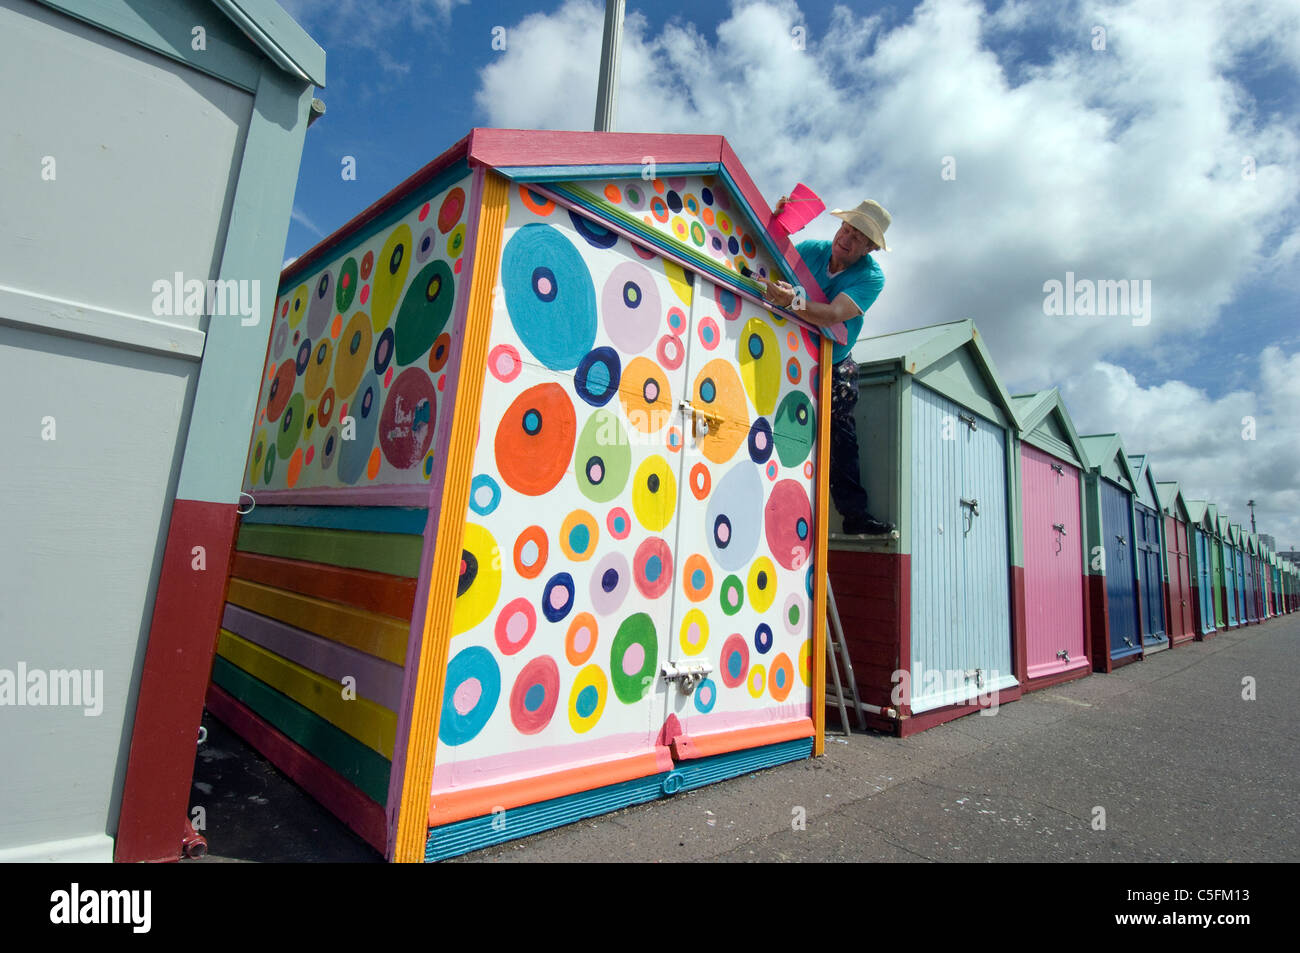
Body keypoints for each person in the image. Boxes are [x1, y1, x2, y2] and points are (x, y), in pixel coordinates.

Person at [759, 199, 895, 536]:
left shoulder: (872, 278)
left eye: (857, 238)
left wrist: (792, 301)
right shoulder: (809, 250)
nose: (845, 239)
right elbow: (766, 259)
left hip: (834, 361)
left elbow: (834, 314)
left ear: (870, 248)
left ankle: (854, 516)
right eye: (845, 229)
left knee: (840, 436)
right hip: (791, 350)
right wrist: (773, 223)